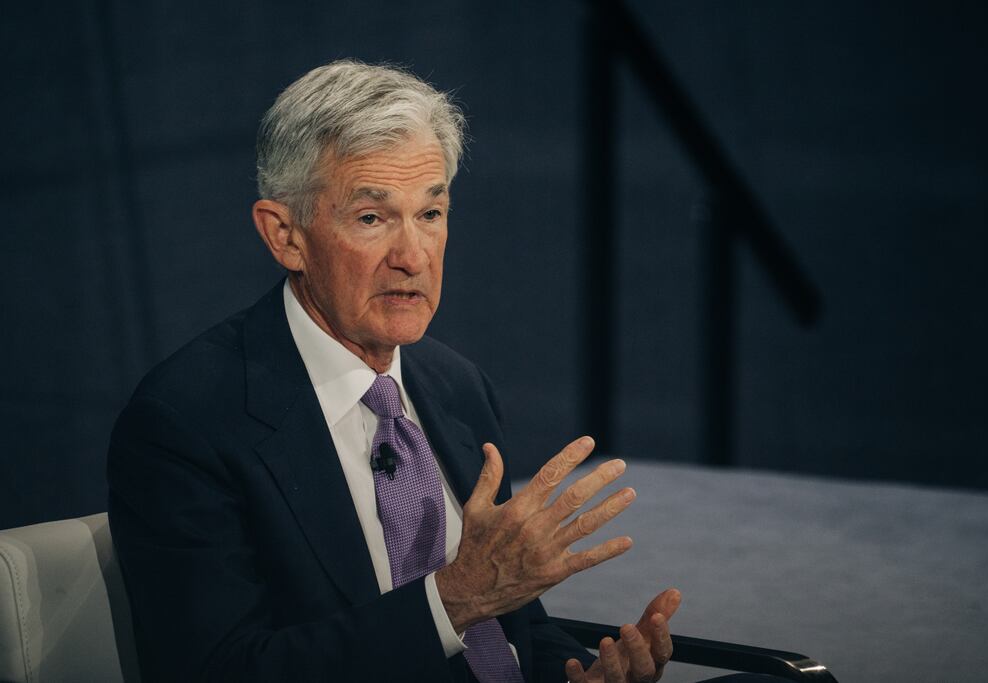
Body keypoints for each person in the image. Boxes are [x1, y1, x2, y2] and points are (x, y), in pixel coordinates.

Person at [108, 60, 777, 683]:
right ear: (285, 234)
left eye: (430, 213)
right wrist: (454, 596)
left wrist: (580, 671)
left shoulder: (455, 386)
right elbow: (223, 669)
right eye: (372, 217)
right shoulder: (188, 419)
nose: (413, 255)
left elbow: (514, 632)